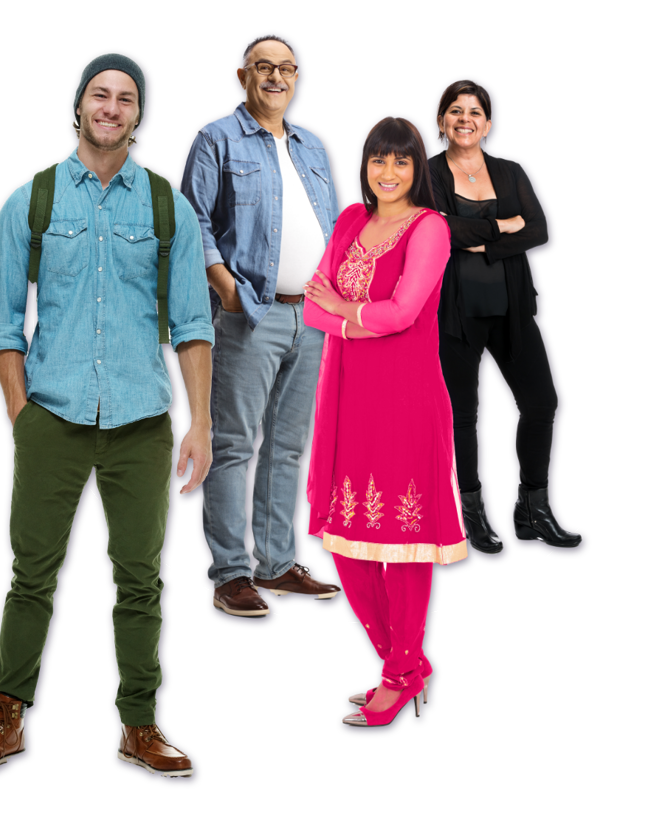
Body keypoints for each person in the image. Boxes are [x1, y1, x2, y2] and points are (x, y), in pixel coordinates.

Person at [0, 53, 214, 779]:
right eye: (100, 95)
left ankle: (140, 724)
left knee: (139, 577)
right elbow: (2, 323)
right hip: (53, 416)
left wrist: (202, 422)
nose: (112, 106)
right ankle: (6, 717)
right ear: (79, 109)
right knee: (31, 573)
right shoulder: (30, 203)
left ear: (136, 116)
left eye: (126, 98)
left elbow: (193, 324)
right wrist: (20, 413)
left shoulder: (166, 207)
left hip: (140, 419)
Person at [303, 118, 467, 728]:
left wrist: (343, 310)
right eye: (378, 160)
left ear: (416, 167)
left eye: (401, 161)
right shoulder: (350, 221)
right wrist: (348, 318)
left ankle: (400, 675)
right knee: (346, 540)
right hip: (346, 396)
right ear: (367, 164)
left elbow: (402, 314)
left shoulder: (430, 228)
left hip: (405, 399)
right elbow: (311, 309)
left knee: (401, 541)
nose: (388, 173)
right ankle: (404, 665)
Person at [181, 35, 341, 618]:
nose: (277, 77)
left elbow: (330, 223)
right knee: (233, 444)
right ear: (244, 74)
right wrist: (225, 288)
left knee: (289, 446)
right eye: (265, 67)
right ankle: (231, 573)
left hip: (313, 315)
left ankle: (277, 564)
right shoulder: (217, 140)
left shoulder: (311, 147)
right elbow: (192, 218)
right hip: (252, 311)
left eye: (287, 68)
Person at [429, 80, 581, 553]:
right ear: (442, 122)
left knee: (542, 403)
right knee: (462, 415)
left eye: (474, 111)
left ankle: (532, 508)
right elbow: (436, 229)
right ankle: (471, 513)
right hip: (454, 314)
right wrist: (499, 226)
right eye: (455, 111)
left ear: (487, 123)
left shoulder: (511, 172)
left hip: (511, 308)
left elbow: (537, 229)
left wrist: (481, 243)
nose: (465, 119)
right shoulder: (428, 175)